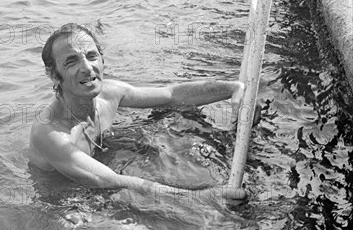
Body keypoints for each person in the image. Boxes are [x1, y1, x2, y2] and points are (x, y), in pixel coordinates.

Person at [29, 23, 247, 202]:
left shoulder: (108, 94)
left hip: (103, 175)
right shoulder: (50, 133)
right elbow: (113, 182)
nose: (87, 67)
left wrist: (231, 89)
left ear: (103, 60)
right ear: (53, 75)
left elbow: (172, 94)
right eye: (71, 61)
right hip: (65, 205)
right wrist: (202, 197)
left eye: (91, 56)